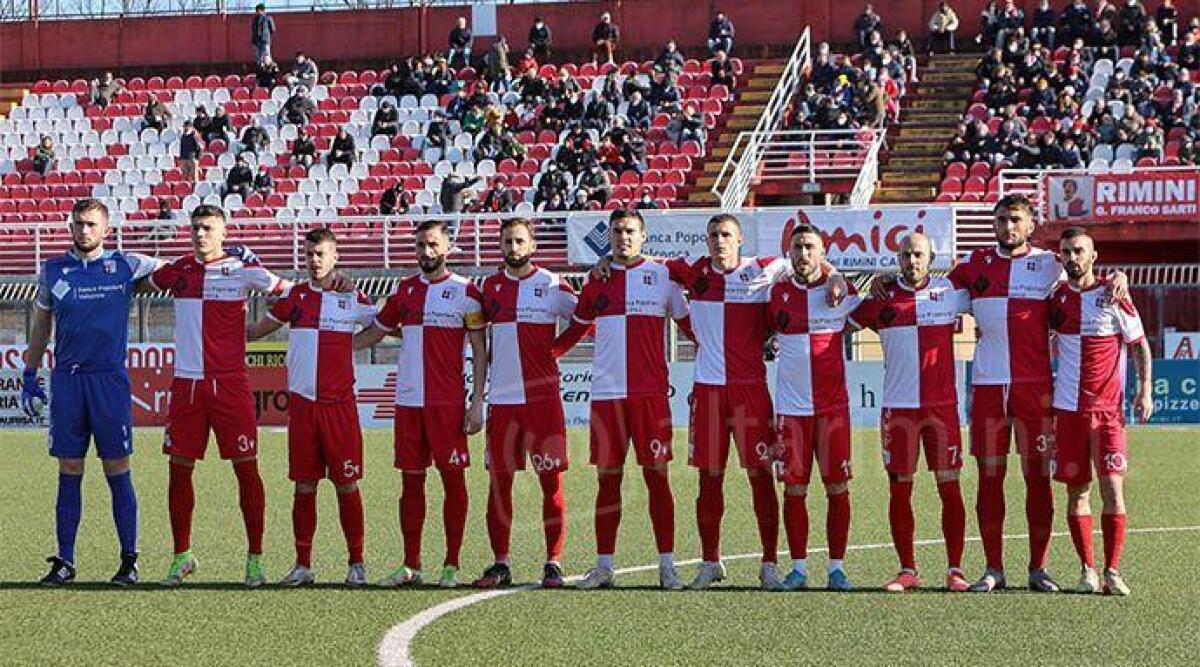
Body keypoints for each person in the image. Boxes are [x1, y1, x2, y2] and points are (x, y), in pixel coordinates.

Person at [929, 194, 1127, 593]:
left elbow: (1085, 275)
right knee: (990, 478)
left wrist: (1116, 276)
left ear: (1031, 224)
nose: (1007, 227)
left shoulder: (1050, 265)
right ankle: (993, 568)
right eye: (1001, 219)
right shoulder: (974, 264)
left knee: (1037, 478)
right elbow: (927, 288)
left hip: (1035, 389)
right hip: (986, 386)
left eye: (1015, 219)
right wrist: (841, 273)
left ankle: (1038, 568)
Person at [144, 205, 325, 587]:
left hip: (230, 385)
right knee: (179, 468)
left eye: (208, 228)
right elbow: (139, 284)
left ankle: (255, 558)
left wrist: (335, 280)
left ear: (224, 232)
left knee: (246, 469)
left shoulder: (244, 270)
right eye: (195, 228)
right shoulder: (178, 270)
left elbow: (294, 293)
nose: (200, 234)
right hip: (188, 385)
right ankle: (182, 556)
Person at [21, 199, 162, 586]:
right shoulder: (52, 270)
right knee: (69, 469)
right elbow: (41, 325)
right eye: (79, 224)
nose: (85, 231)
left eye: (92, 225)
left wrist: (228, 255)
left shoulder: (127, 265)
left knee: (117, 468)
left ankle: (129, 560)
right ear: (70, 226)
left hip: (109, 382)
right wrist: (30, 372)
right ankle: (65, 561)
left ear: (106, 228)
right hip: (68, 380)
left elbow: (181, 272)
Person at [555, 209, 693, 591]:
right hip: (606, 396)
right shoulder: (596, 280)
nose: (623, 237)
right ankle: (604, 566)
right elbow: (576, 329)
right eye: (617, 231)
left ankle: (667, 565)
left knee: (657, 479)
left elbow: (691, 326)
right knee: (608, 481)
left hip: (650, 396)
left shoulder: (664, 276)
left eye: (630, 231)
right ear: (609, 236)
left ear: (643, 236)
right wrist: (544, 359)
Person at [354, 220, 487, 588]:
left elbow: (479, 350)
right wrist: (335, 347)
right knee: (410, 483)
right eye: (419, 246)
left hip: (446, 404)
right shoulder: (405, 290)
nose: (425, 252)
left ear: (447, 247)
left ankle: (451, 564)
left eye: (432, 245)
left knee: (453, 482)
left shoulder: (467, 292)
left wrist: (476, 403)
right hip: (408, 402)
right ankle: (411, 564)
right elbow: (376, 330)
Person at [245, 228, 377, 587]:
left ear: (335, 257)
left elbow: (384, 325)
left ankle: (357, 564)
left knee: (347, 485)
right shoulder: (296, 297)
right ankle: (303, 565)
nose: (314, 260)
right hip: (303, 408)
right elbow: (257, 330)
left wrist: (351, 346)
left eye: (321, 254)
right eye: (309, 254)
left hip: (339, 407)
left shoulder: (353, 298)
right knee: (304, 486)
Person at [850, 233, 972, 593]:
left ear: (930, 257)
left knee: (949, 487)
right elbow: (838, 314)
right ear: (897, 259)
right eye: (905, 255)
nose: (912, 261)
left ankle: (955, 570)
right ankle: (907, 570)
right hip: (898, 410)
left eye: (918, 254)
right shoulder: (880, 300)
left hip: (941, 409)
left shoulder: (951, 293)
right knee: (900, 489)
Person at [471, 218, 579, 590]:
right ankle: (500, 563)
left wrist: (557, 350)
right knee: (499, 485)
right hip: (502, 402)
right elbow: (474, 334)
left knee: (552, 483)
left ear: (532, 244)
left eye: (519, 241)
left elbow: (585, 319)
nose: (513, 247)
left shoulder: (551, 284)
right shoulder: (489, 287)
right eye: (507, 241)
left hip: (542, 401)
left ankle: (553, 562)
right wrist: (477, 397)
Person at [1049, 227, 1152, 596]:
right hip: (1068, 413)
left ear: (1093, 256)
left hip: (1108, 414)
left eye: (1079, 251)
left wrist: (1145, 390)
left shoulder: (1114, 295)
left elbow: (1139, 346)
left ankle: (1112, 570)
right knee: (1077, 493)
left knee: (1112, 489)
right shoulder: (1056, 299)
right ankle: (1087, 571)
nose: (1072, 258)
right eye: (1066, 252)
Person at [765, 223, 860, 591]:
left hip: (833, 410)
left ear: (823, 252)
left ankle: (837, 568)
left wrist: (836, 276)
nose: (803, 255)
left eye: (810, 248)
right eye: (797, 248)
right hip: (791, 411)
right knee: (794, 490)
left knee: (837, 488)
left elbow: (868, 312)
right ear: (789, 253)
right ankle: (800, 569)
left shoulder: (842, 290)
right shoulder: (778, 294)